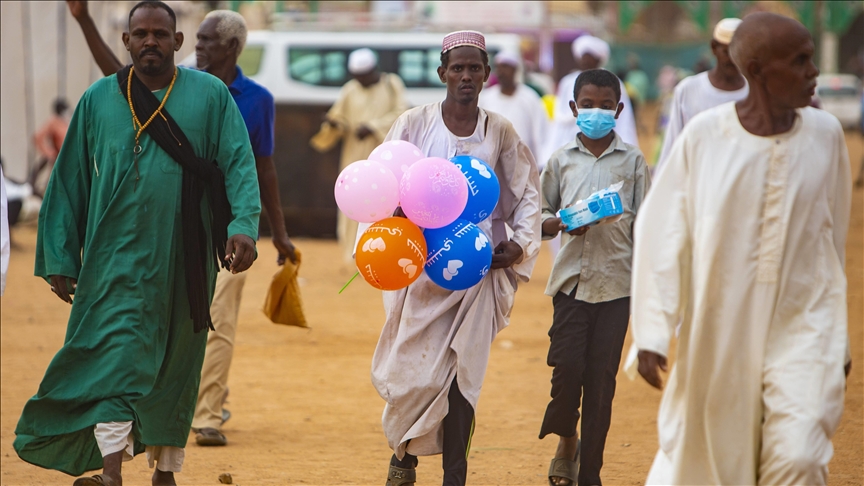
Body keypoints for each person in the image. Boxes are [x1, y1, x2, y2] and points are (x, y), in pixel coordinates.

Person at [13, 2, 261, 485]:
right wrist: (62, 254)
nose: (151, 41)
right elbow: (69, 181)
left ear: (178, 42)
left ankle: (165, 470)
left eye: (161, 34)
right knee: (114, 354)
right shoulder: (99, 98)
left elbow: (239, 162)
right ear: (126, 42)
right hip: (113, 259)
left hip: (185, 257)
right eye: (140, 34)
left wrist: (243, 226)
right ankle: (110, 472)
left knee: (175, 360)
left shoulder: (211, 95)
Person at [630, 13, 851, 485]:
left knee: (800, 457)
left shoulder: (827, 135)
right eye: (800, 61)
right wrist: (652, 329)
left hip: (805, 322)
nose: (814, 72)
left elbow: (831, 238)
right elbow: (663, 230)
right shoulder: (706, 137)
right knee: (713, 459)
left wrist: (839, 336)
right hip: (720, 324)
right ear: (756, 68)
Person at [67, 1, 298, 447]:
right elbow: (120, 77)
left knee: (212, 323)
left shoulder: (254, 100)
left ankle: (206, 414)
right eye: (199, 38)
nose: (199, 46)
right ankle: (131, 428)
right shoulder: (164, 85)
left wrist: (270, 230)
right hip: (140, 236)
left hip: (223, 235)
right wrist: (83, 21)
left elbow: (259, 167)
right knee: (131, 330)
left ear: (231, 46)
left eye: (208, 39)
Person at [373, 31, 541, 486]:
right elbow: (382, 181)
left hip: (477, 275)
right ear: (442, 72)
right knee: (412, 377)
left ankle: (455, 475)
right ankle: (404, 456)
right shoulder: (413, 123)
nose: (466, 76)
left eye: (475, 68)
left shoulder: (500, 130)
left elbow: (526, 193)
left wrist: (520, 244)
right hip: (419, 276)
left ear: (487, 75)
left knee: (463, 378)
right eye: (458, 67)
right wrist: (398, 214)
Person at [539, 69, 650, 486]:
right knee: (566, 371)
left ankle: (591, 473)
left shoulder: (634, 161)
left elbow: (648, 223)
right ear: (573, 109)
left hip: (617, 286)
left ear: (619, 110)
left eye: (606, 106)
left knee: (600, 383)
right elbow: (540, 216)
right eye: (587, 105)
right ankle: (567, 439)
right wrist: (564, 223)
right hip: (570, 283)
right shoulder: (560, 160)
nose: (596, 112)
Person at [311, 48, 408, 264]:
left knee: (386, 202)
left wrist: (372, 127)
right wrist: (335, 124)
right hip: (355, 156)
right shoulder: (350, 90)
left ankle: (384, 254)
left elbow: (401, 113)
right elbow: (340, 120)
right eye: (357, 77)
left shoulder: (392, 85)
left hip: (385, 156)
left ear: (374, 70)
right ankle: (353, 255)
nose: (361, 81)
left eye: (364, 76)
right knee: (352, 201)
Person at [655, 18, 748, 172]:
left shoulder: (756, 92)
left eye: (739, 52)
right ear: (714, 48)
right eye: (727, 51)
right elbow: (673, 144)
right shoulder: (688, 89)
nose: (733, 58)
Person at [542, 35, 639, 168]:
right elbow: (559, 122)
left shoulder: (613, 83)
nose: (585, 61)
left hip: (606, 152)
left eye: (589, 57)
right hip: (570, 152)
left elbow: (624, 123)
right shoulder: (568, 83)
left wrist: (627, 156)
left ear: (599, 59)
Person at [478, 51, 548, 164]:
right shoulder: (486, 98)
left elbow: (541, 134)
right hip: (492, 163)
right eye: (498, 68)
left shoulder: (530, 98)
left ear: (515, 70)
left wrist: (540, 164)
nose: (501, 72)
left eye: (505, 67)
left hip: (523, 163)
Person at [31, 98, 70, 197]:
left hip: (69, 159)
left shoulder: (64, 122)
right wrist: (49, 153)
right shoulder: (53, 121)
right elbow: (38, 137)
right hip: (59, 159)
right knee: (55, 187)